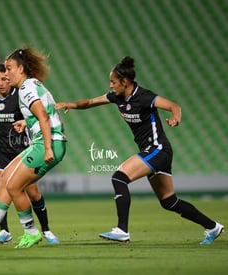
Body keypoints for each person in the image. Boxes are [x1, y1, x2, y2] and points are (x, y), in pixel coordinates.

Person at [55, 56, 224, 244]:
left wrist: (175, 118)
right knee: (169, 201)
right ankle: (212, 227)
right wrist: (71, 104)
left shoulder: (144, 97)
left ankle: (122, 230)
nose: (110, 85)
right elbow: (90, 102)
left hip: (158, 149)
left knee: (119, 177)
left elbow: (173, 106)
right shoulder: (116, 97)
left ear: (125, 82)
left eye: (113, 81)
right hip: (155, 152)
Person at [0, 47, 67, 248]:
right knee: (6, 176)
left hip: (50, 143)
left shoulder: (26, 88)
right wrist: (25, 124)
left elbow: (44, 117)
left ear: (21, 69)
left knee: (14, 186)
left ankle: (31, 232)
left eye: (10, 68)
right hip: (42, 141)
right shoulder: (29, 86)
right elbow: (41, 115)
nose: (7, 72)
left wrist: (47, 148)